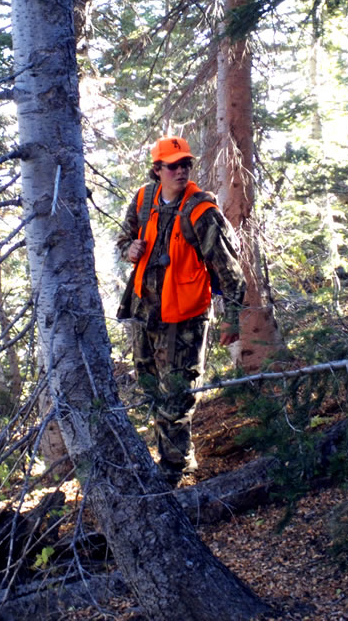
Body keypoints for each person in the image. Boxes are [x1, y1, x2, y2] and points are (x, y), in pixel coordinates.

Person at [116, 135, 246, 485]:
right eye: (173, 165)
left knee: (176, 397)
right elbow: (122, 240)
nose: (181, 170)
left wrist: (232, 319)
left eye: (186, 163)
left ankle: (175, 475)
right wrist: (130, 248)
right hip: (146, 315)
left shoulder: (201, 211)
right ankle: (171, 461)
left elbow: (230, 270)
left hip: (185, 321)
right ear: (157, 169)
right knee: (151, 390)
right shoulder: (144, 200)